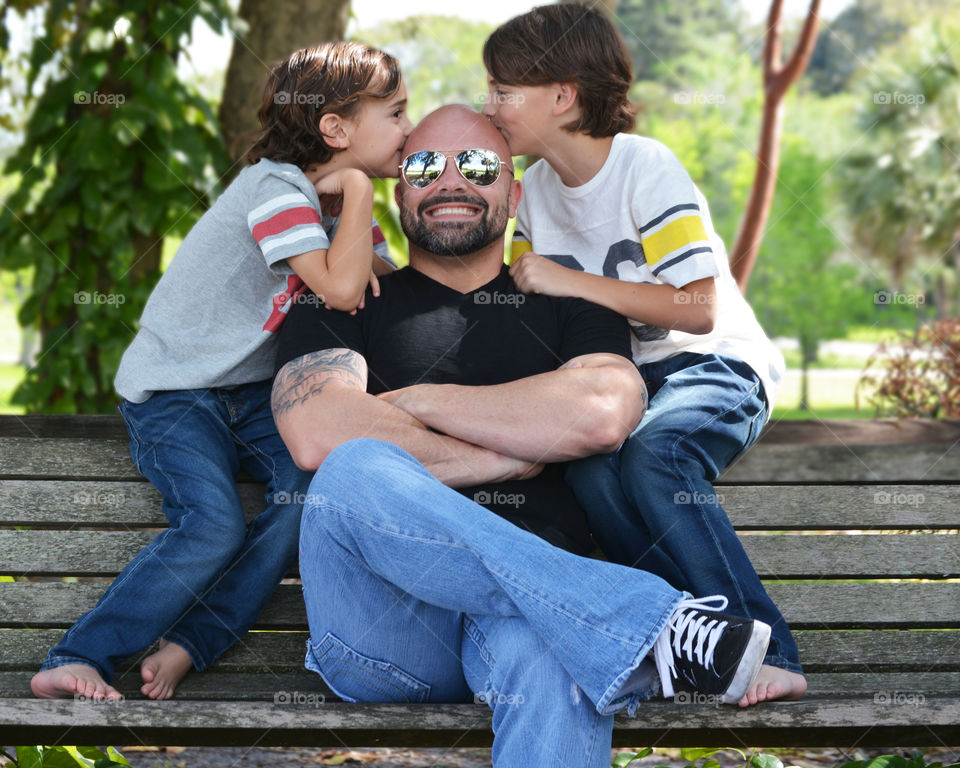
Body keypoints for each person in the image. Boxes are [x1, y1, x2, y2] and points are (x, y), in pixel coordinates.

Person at [272, 104, 771, 767]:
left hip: (526, 622)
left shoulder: (569, 299)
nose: (451, 182)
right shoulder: (341, 301)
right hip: (385, 629)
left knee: (555, 650)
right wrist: (504, 451)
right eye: (424, 166)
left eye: (478, 166)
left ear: (513, 191)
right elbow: (318, 430)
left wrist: (420, 404)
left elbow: (601, 411)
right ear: (399, 191)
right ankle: (644, 624)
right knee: (351, 469)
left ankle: (616, 624)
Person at [30, 41, 413, 702]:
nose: (410, 129)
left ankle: (192, 641)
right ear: (336, 129)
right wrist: (356, 187)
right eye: (398, 113)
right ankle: (77, 654)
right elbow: (344, 288)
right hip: (177, 393)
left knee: (306, 495)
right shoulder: (277, 187)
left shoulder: (341, 210)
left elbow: (390, 291)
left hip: (251, 394)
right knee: (212, 526)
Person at [480, 4, 807, 707]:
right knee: (595, 480)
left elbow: (699, 305)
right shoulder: (533, 193)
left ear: (563, 96)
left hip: (714, 365)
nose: (490, 105)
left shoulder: (643, 166)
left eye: (504, 91)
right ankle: (703, 645)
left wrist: (564, 278)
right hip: (630, 383)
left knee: (656, 459)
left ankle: (771, 650)